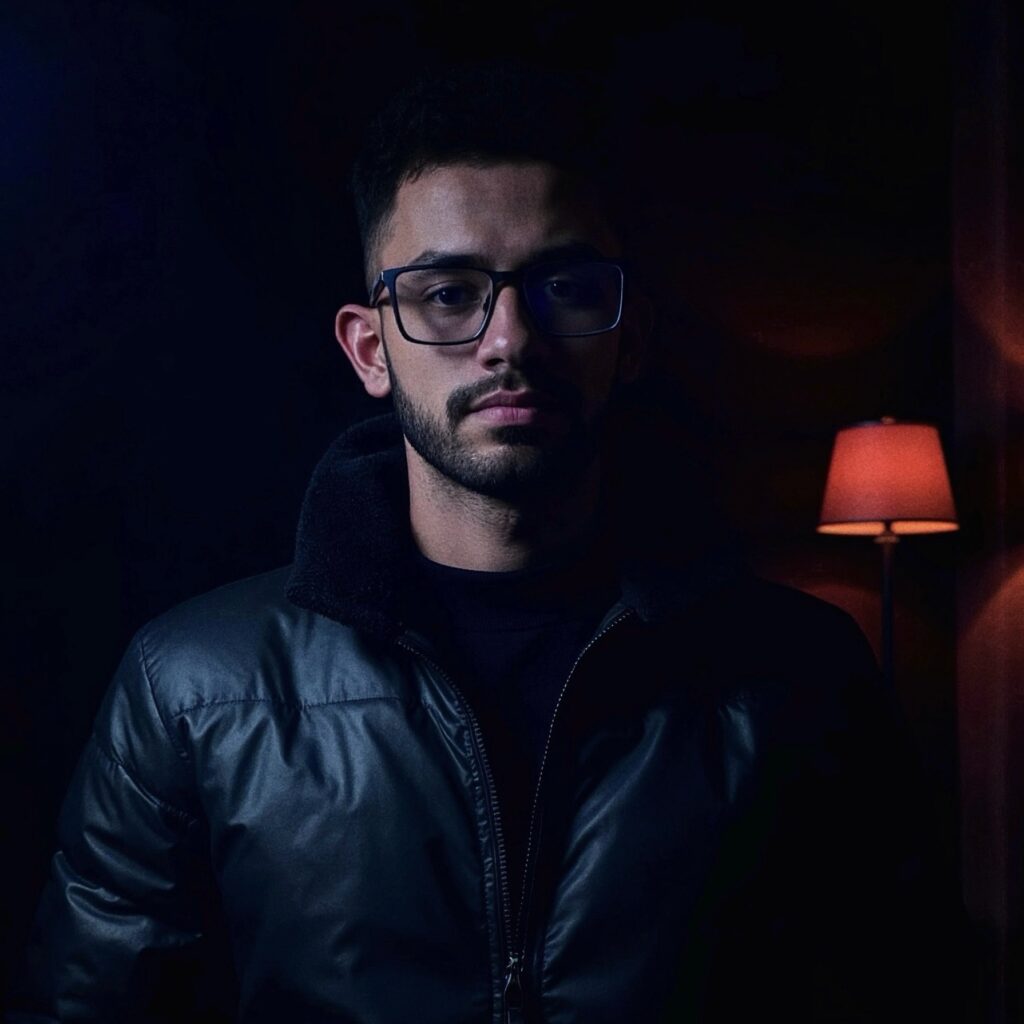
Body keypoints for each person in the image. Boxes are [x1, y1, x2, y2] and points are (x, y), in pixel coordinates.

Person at [9, 62, 963, 1023]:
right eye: (448, 292)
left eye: (566, 287)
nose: (510, 339)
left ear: (628, 338)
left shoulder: (800, 675)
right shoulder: (191, 688)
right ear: (370, 349)